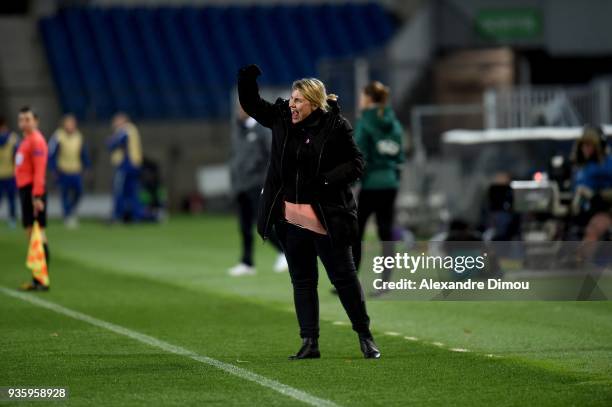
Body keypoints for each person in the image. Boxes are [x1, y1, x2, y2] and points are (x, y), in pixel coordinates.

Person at [238, 64, 380, 359]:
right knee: (302, 282)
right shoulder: (280, 118)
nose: (292, 104)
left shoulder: (335, 126)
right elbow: (251, 104)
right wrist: (246, 79)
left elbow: (356, 163)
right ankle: (309, 342)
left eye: (299, 100)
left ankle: (364, 335)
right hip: (290, 219)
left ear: (315, 103)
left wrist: (327, 179)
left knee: (343, 278)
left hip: (326, 216)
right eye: (292, 98)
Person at [352, 81, 405, 289]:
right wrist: (394, 177)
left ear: (367, 98)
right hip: (390, 183)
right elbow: (400, 156)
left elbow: (359, 155)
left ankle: (350, 280)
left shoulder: (365, 121)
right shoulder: (394, 122)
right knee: (386, 232)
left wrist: (353, 180)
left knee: (356, 233)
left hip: (370, 184)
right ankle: (385, 281)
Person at [228, 105, 288, 276]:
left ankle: (284, 252)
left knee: (263, 222)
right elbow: (233, 157)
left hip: (257, 184)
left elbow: (271, 156)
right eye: (238, 108)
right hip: (241, 185)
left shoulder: (262, 130)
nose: (240, 111)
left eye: (243, 108)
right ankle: (247, 262)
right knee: (244, 226)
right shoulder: (237, 130)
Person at [14, 106, 50, 291]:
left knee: (38, 234)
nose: (24, 123)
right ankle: (37, 278)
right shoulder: (25, 141)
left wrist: (37, 196)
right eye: (21, 119)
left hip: (33, 192)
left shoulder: (36, 141)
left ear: (35, 121)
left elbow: (40, 171)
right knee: (31, 234)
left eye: (27, 119)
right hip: (25, 190)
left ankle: (42, 279)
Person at [49, 114, 90, 228]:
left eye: (72, 123)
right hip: (63, 170)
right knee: (64, 194)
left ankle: (71, 211)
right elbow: (51, 154)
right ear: (64, 124)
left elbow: (83, 153)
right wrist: (53, 169)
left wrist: (87, 166)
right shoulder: (58, 136)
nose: (71, 125)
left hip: (76, 170)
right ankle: (67, 216)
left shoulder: (79, 136)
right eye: (68, 123)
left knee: (79, 192)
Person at [107, 113, 144, 223]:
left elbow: (113, 145)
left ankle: (117, 216)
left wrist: (110, 140)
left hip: (125, 165)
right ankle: (136, 216)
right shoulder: (132, 129)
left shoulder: (125, 130)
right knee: (132, 192)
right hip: (134, 164)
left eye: (116, 121)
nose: (115, 124)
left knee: (119, 190)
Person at [0, 117, 19, 228]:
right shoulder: (14, 139)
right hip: (8, 174)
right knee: (11, 199)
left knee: (11, 199)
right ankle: (12, 219)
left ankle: (12, 219)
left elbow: (19, 155)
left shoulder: (13, 139)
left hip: (10, 174)